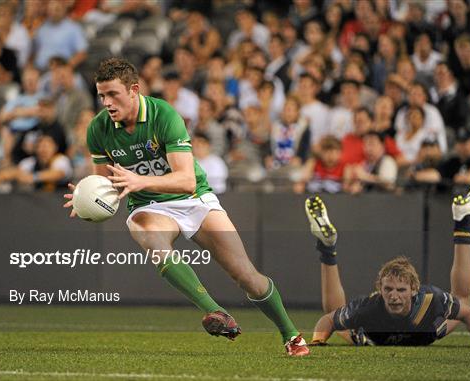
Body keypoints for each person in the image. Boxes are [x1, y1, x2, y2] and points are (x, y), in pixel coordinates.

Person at [62, 58, 309, 356]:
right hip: (148, 206)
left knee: (247, 277)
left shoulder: (164, 115)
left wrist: (140, 181)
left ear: (133, 90)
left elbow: (186, 180)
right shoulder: (98, 130)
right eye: (102, 95)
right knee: (155, 243)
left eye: (113, 94)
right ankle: (215, 311)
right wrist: (88, 198)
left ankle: (291, 334)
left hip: (195, 199)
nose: (107, 103)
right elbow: (107, 185)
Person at [304, 186, 470, 348]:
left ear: (414, 290)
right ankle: (327, 248)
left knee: (463, 302)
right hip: (373, 340)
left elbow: (467, 313)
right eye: (388, 289)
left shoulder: (431, 299)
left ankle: (463, 222)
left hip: (425, 333)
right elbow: (329, 319)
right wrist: (318, 341)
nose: (394, 295)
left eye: (401, 290)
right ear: (379, 290)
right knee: (337, 315)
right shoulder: (368, 307)